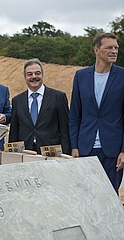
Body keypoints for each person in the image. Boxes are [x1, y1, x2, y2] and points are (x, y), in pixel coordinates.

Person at [69, 32, 124, 192]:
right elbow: (75, 115)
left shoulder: (122, 76)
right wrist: (74, 146)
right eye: (109, 48)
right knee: (87, 197)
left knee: (109, 198)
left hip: (113, 152)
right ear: (96, 50)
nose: (114, 51)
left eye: (116, 48)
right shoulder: (81, 76)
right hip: (85, 149)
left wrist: (123, 150)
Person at [9, 58, 70, 154]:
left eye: (37, 73)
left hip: (51, 153)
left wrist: (66, 153)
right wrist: (12, 154)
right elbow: (14, 131)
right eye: (30, 74)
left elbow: (65, 130)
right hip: (25, 152)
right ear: (25, 77)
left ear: (42, 75)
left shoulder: (58, 97)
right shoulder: (17, 101)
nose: (34, 77)